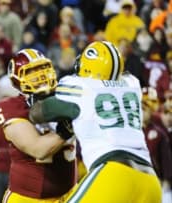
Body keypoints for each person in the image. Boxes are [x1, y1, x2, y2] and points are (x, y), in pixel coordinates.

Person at [29, 41, 162, 202]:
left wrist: (38, 98)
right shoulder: (131, 83)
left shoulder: (80, 86)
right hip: (150, 181)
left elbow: (38, 113)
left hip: (114, 174)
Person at [0, 48, 77, 202]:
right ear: (17, 79)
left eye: (43, 69)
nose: (41, 76)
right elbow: (38, 149)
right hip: (28, 198)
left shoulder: (66, 96)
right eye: (32, 72)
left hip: (69, 195)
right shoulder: (12, 107)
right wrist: (67, 129)